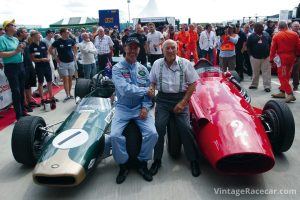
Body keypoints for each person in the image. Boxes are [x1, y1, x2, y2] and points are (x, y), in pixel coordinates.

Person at [149, 39, 200, 177]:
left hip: (180, 99)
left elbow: (192, 85)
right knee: (158, 128)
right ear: (162, 49)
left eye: (173, 48)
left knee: (185, 128)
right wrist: (152, 89)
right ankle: (157, 160)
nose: (170, 51)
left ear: (177, 49)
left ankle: (193, 160)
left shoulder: (185, 63)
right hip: (163, 100)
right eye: (167, 48)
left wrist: (183, 103)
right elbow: (152, 81)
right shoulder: (157, 64)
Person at [111, 37, 158, 184]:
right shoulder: (117, 68)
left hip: (139, 107)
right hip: (123, 108)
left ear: (139, 50)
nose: (133, 50)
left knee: (152, 133)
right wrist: (146, 90)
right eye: (130, 47)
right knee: (114, 136)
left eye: (135, 48)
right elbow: (125, 90)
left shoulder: (144, 69)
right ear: (125, 48)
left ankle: (142, 162)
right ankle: (123, 164)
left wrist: (145, 107)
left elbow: (149, 95)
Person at [0, 19, 28, 120]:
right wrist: (16, 51)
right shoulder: (2, 39)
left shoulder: (15, 39)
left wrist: (21, 48)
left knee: (21, 89)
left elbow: (18, 51)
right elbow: (1, 53)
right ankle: (19, 115)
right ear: (7, 27)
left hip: (20, 65)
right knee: (16, 91)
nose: (15, 26)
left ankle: (23, 111)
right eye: (13, 25)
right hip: (11, 67)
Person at [270, 21, 299, 103]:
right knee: (287, 76)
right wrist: (297, 56)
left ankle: (290, 94)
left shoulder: (277, 35)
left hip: (283, 59)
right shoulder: (295, 34)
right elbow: (298, 46)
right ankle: (282, 92)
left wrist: (271, 59)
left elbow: (273, 49)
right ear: (287, 26)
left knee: (282, 76)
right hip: (292, 57)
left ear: (279, 27)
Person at [48, 28, 77, 102]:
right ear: (62, 33)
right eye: (67, 32)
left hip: (71, 62)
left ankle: (70, 94)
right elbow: (50, 49)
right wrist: (55, 57)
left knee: (70, 78)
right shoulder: (57, 41)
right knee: (65, 79)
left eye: (68, 32)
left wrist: (75, 56)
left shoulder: (70, 40)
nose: (68, 33)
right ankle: (67, 94)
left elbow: (75, 48)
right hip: (63, 63)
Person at [29, 31, 56, 109]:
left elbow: (47, 51)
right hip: (39, 66)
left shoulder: (43, 43)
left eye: (39, 35)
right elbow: (33, 59)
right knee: (40, 82)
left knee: (49, 81)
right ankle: (42, 99)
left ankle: (51, 97)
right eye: (37, 35)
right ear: (33, 37)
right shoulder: (31, 46)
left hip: (46, 65)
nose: (39, 37)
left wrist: (47, 57)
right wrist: (41, 59)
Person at [247, 22, 272, 92]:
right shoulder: (251, 36)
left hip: (266, 57)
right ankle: (254, 85)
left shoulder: (267, 35)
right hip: (255, 57)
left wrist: (269, 53)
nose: (256, 29)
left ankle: (267, 86)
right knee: (255, 72)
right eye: (256, 27)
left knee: (266, 72)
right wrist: (251, 56)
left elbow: (270, 44)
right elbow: (248, 47)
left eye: (261, 27)